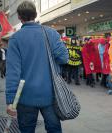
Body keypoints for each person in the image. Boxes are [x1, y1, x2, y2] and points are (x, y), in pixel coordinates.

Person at [5, 1, 69, 133]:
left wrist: (10, 100)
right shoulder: (51, 33)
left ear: (19, 17)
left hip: (25, 97)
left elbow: (13, 72)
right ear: (35, 14)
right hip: (50, 93)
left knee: (27, 129)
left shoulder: (15, 39)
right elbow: (64, 58)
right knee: (54, 129)